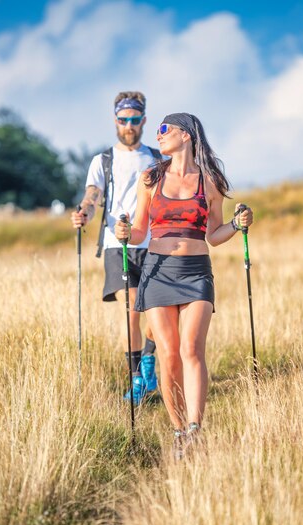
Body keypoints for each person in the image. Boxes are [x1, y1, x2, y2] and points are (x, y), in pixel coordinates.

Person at [114, 112, 253, 457]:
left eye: (164, 129)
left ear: (186, 135)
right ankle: (178, 432)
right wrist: (123, 234)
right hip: (158, 270)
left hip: (196, 272)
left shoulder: (210, 181)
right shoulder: (151, 179)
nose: (158, 136)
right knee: (169, 355)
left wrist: (237, 225)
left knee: (192, 349)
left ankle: (195, 429)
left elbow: (214, 235)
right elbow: (140, 231)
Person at [71, 91, 162, 405]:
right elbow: (93, 195)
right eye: (123, 120)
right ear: (115, 121)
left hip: (153, 242)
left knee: (158, 312)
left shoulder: (156, 157)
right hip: (116, 244)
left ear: (143, 121)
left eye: (134, 120)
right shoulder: (103, 160)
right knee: (132, 309)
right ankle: (137, 377)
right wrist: (84, 213)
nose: (129, 125)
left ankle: (149, 360)